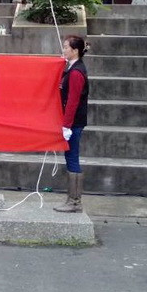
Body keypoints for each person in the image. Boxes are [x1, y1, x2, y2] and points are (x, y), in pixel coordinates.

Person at [55, 35, 90, 214]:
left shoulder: (76, 72)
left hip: (74, 122)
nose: (64, 50)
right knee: (70, 156)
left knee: (72, 157)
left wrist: (67, 124)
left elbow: (73, 101)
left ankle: (75, 201)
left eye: (66, 47)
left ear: (75, 50)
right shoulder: (71, 68)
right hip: (73, 121)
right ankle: (73, 200)